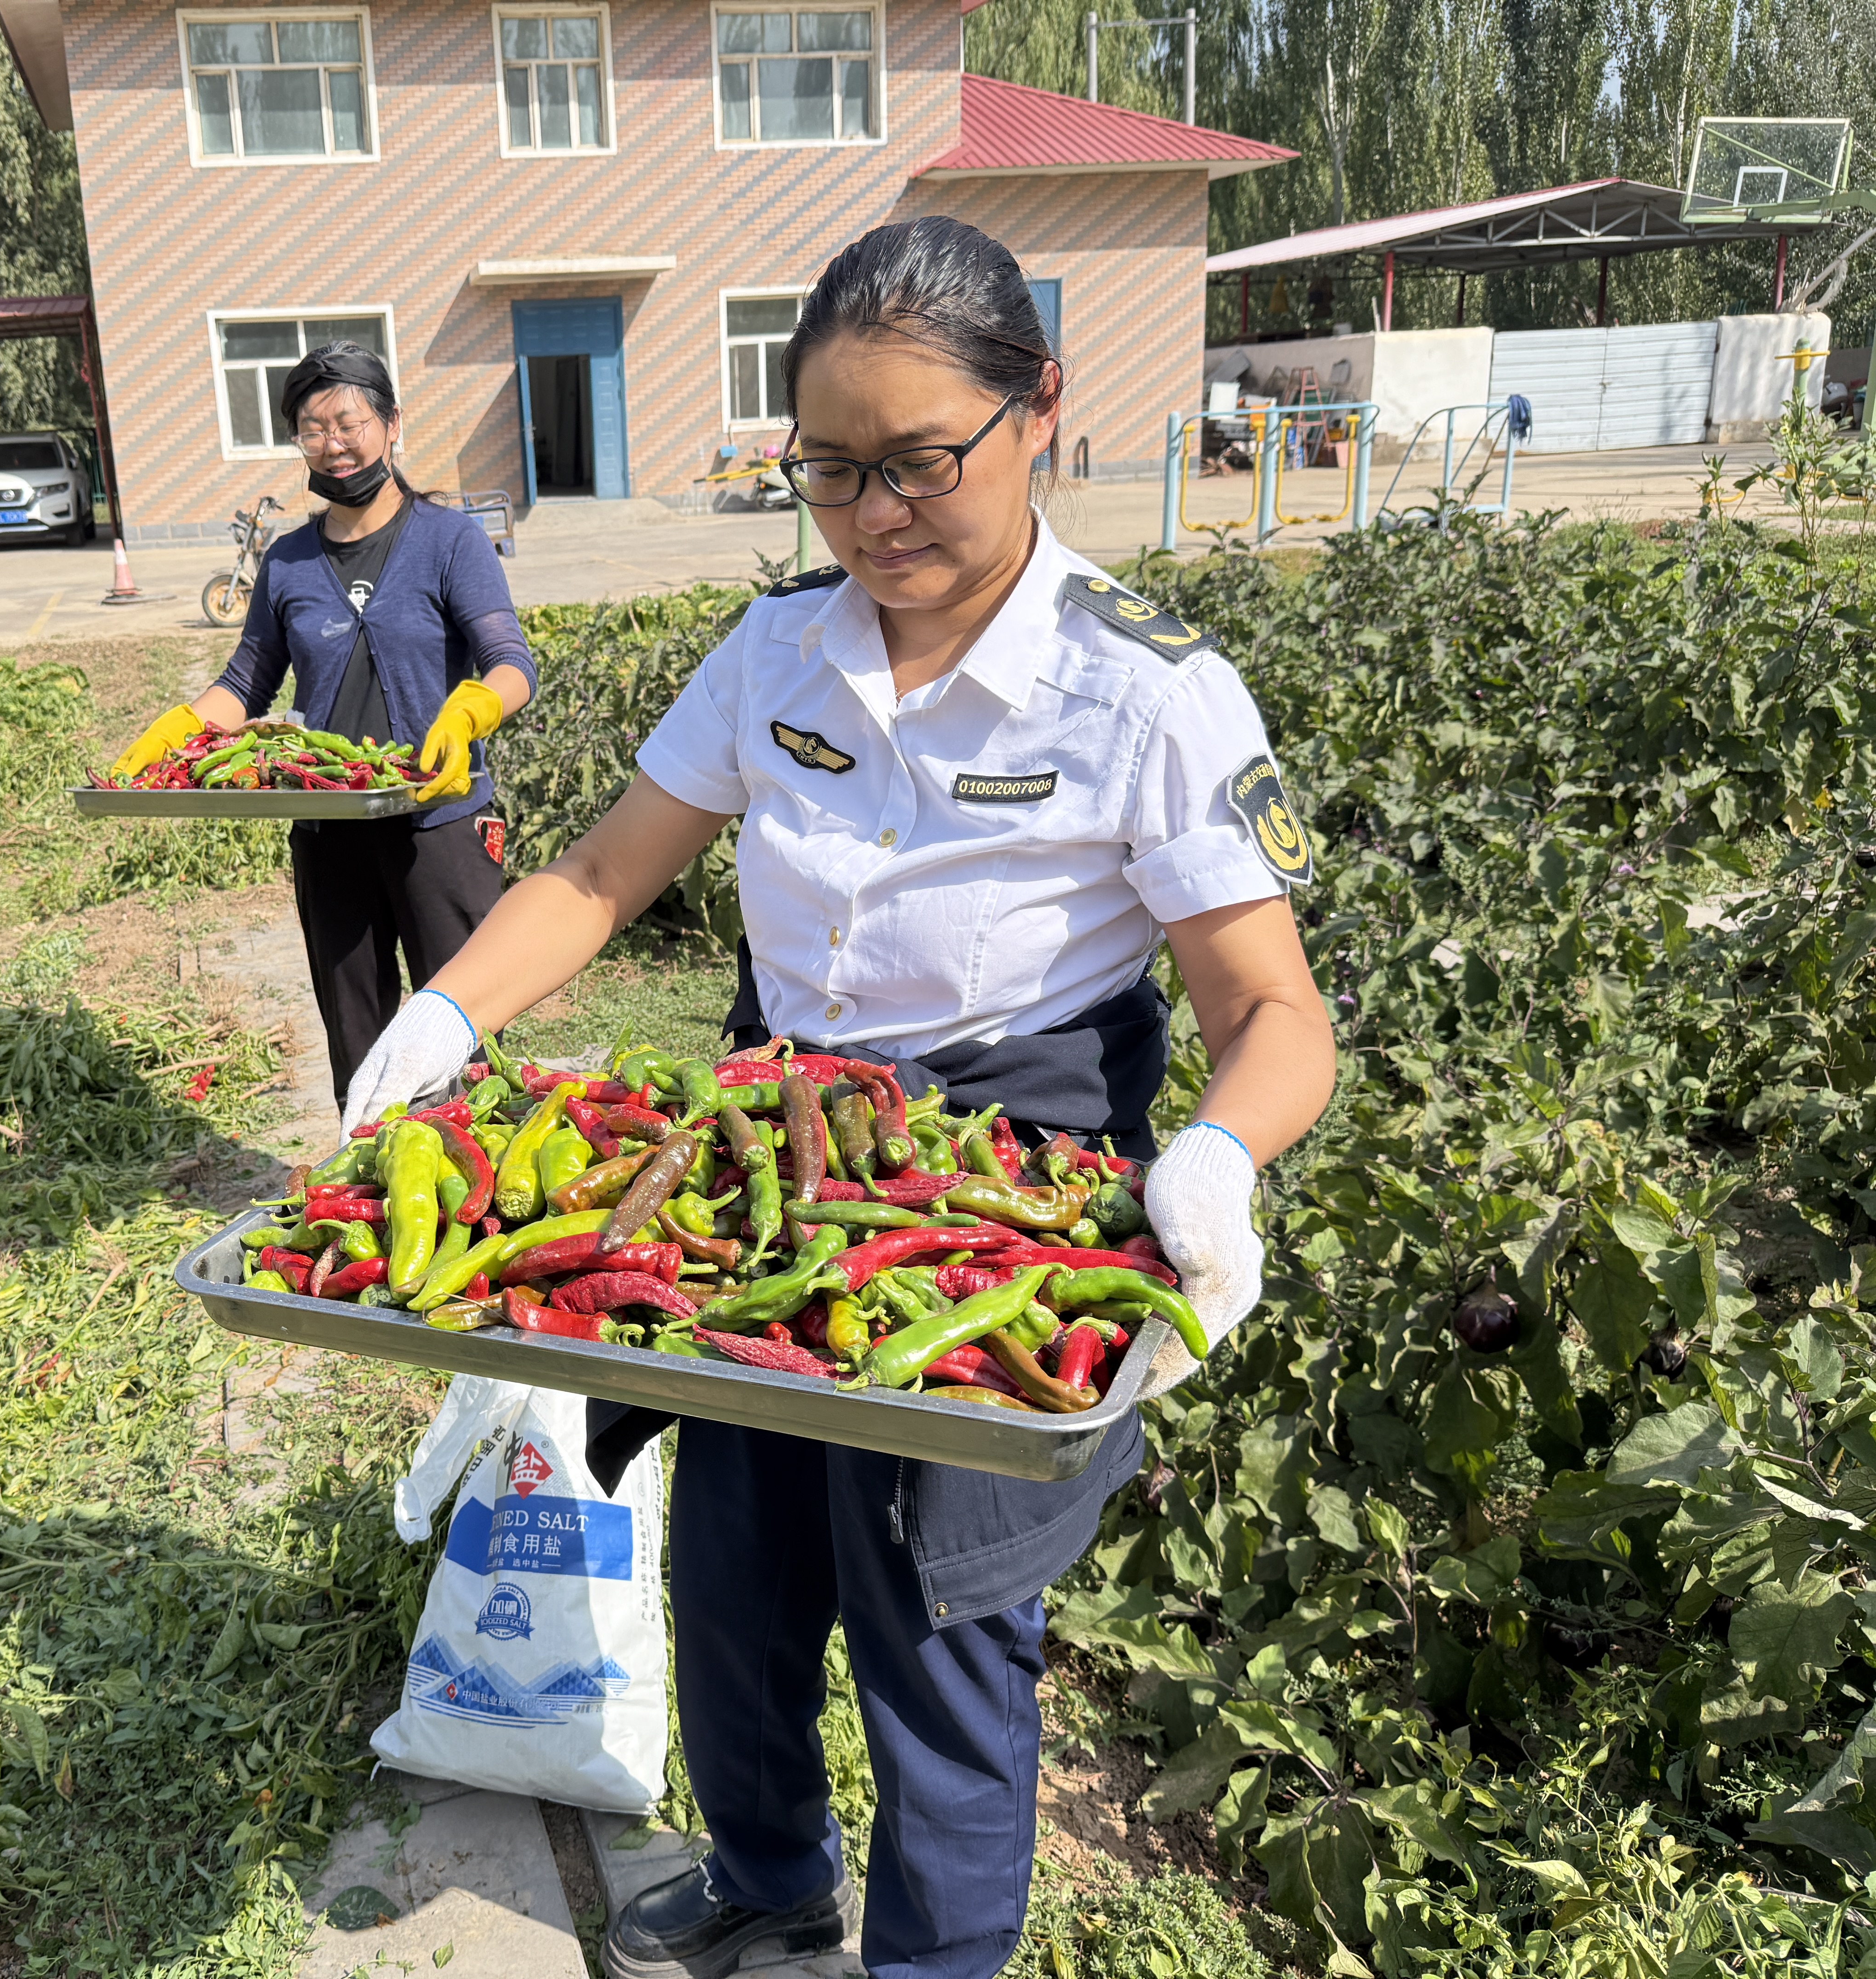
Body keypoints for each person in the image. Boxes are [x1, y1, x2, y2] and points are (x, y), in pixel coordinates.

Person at [338, 218, 1337, 1979]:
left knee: (936, 1614)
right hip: (764, 1157)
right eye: (831, 470)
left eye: (918, 462)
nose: (876, 514)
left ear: (1040, 410)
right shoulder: (779, 650)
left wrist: (1212, 1152)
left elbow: (1273, 1010)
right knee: (732, 1571)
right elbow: (599, 873)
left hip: (997, 1176)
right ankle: (769, 1875)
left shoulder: (1149, 690)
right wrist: (442, 1011)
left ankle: (934, 1962)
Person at [106, 342, 536, 1104]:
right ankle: (367, 1197)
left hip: (440, 826)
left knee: (471, 1038)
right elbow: (246, 681)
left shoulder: (450, 540)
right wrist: (180, 731)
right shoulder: (289, 561)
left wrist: (474, 708)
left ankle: (482, 1199)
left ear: (391, 424)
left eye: (350, 422)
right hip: (330, 831)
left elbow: (510, 659)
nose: (334, 444)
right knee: (358, 1044)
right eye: (312, 428)